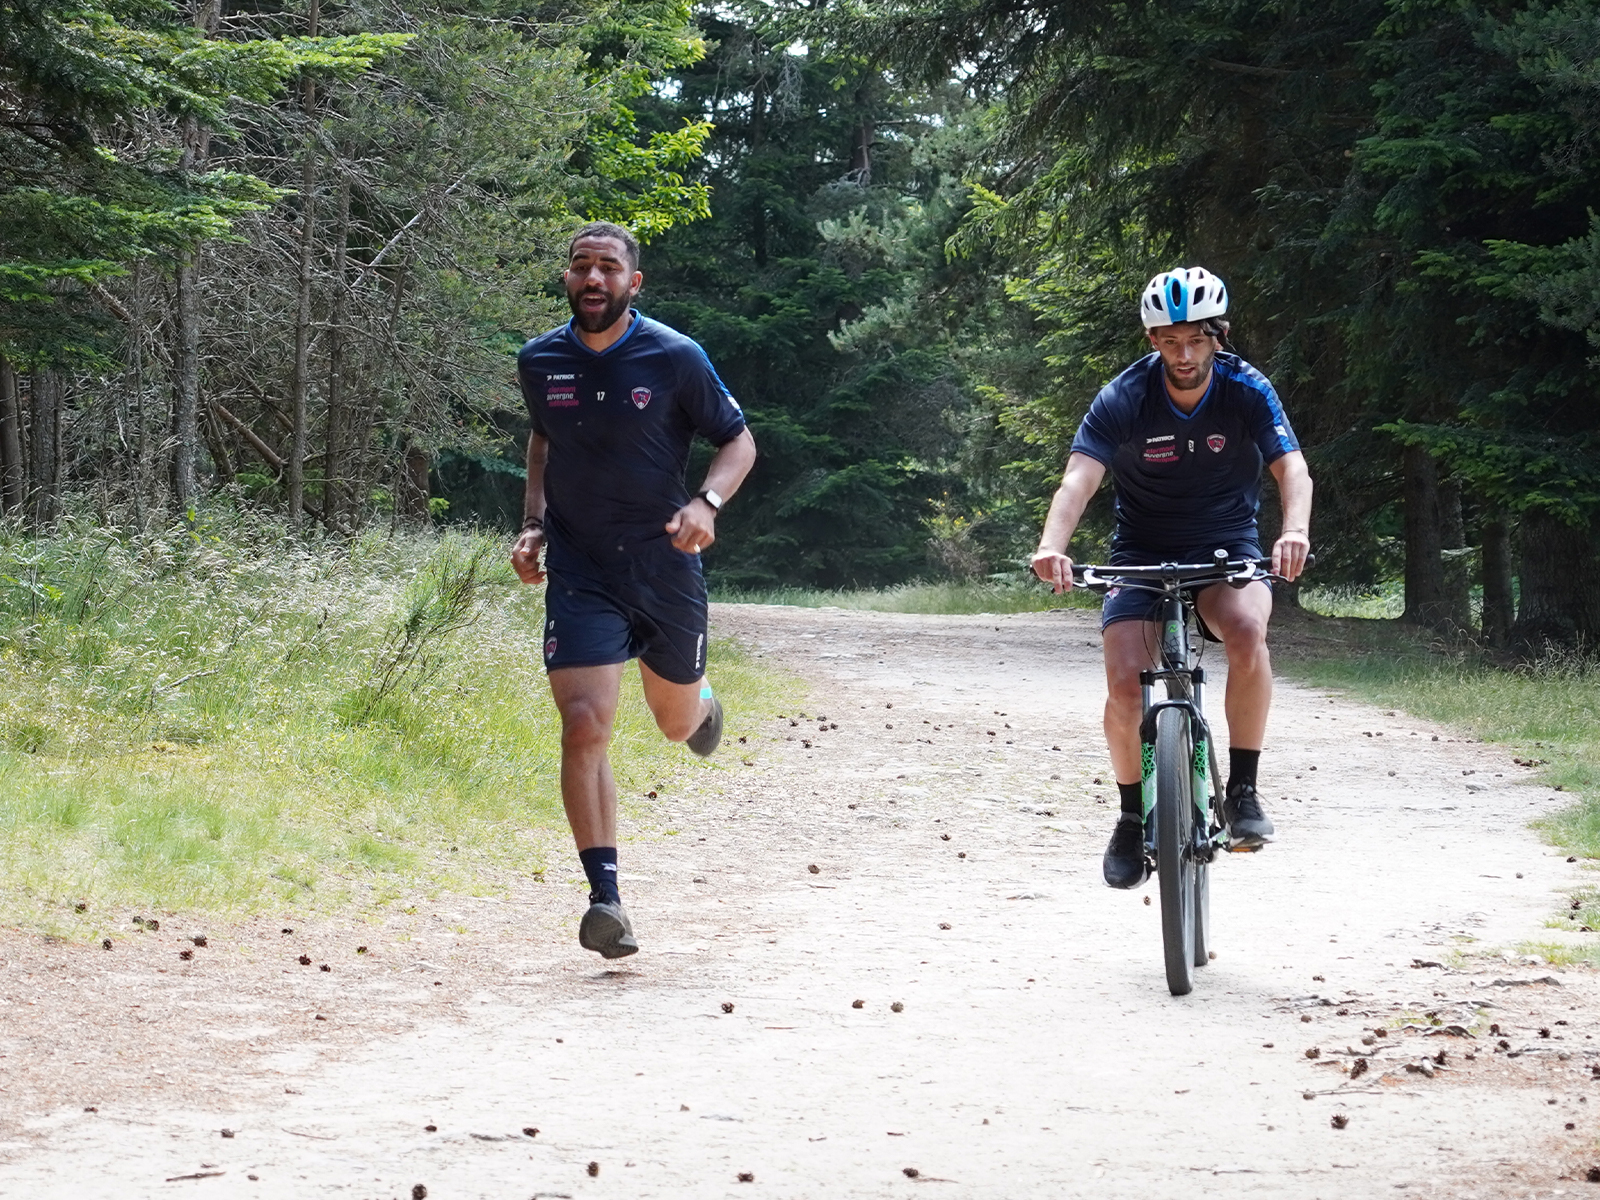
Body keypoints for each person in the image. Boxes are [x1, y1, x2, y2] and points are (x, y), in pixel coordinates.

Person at [510, 221, 757, 958]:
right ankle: (605, 899)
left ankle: (701, 701)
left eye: (608, 268)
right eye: (581, 267)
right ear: (566, 279)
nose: (593, 279)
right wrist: (533, 525)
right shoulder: (538, 360)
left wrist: (706, 505)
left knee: (676, 724)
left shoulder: (675, 357)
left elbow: (737, 440)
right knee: (584, 721)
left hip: (663, 564)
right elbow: (543, 440)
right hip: (583, 570)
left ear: (633, 283)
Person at [1030, 266, 1312, 889]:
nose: (1183, 355)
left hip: (1225, 544)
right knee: (1126, 686)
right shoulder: (1125, 396)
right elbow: (1079, 478)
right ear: (1152, 339)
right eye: (1168, 341)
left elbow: (1292, 468)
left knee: (1245, 633)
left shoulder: (1246, 388)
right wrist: (1053, 545)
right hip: (1142, 548)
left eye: (1195, 340)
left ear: (1218, 335)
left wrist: (1293, 531)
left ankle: (1242, 791)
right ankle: (1132, 819)